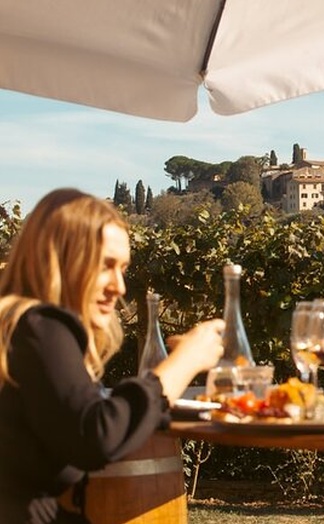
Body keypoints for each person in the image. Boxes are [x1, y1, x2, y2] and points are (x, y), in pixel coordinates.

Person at [0, 189, 225, 523]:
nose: (120, 286)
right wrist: (184, 362)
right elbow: (95, 434)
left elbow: (81, 417)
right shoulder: (39, 326)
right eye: (106, 266)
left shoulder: (18, 327)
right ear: (61, 258)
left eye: (123, 269)